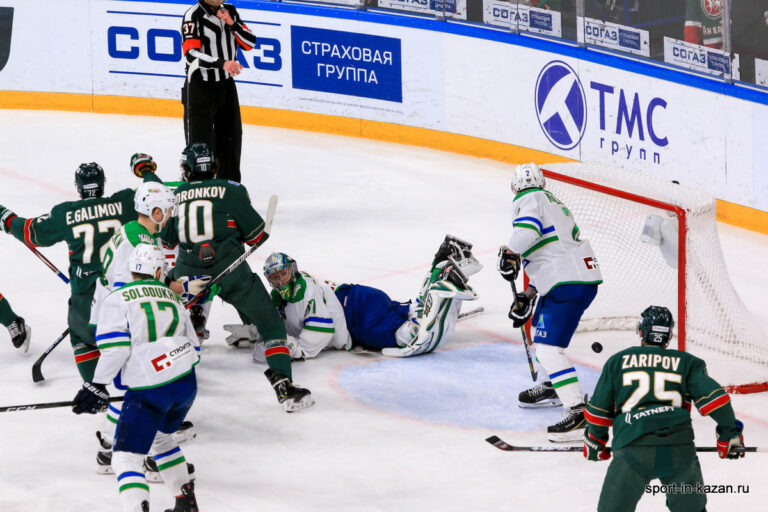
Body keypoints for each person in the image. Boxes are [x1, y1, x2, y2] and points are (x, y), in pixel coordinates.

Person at [146, 142, 314, 412]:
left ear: (185, 170)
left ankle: (159, 395)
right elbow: (256, 236)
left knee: (169, 330)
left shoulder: (175, 195)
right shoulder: (232, 190)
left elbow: (166, 240)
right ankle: (284, 385)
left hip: (187, 274)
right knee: (270, 324)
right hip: (232, 272)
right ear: (214, 166)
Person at [90, 177, 208, 477]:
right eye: (165, 210)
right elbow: (125, 286)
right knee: (142, 385)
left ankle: (108, 444)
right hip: (123, 319)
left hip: (123, 314)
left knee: (136, 385)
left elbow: (146, 277)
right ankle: (149, 454)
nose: (168, 216)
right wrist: (170, 294)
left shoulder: (140, 233)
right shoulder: (138, 238)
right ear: (154, 210)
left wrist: (178, 286)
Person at [73, 244, 200, 512]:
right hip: (186, 384)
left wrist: (96, 385)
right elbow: (195, 349)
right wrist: (166, 366)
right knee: (163, 440)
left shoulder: (118, 298)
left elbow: (117, 349)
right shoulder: (173, 297)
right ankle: (185, 503)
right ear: (157, 270)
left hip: (149, 389)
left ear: (132, 270)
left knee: (125, 459)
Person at [584, 305, 745, 512]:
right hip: (678, 450)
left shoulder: (617, 361)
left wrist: (595, 440)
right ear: (668, 337)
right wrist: (729, 435)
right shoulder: (687, 362)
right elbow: (718, 401)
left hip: (632, 448)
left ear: (641, 331)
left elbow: (598, 411)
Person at [0, 162, 150, 380]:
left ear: (78, 188)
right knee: (136, 333)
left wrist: (5, 217)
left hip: (85, 298)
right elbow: (157, 197)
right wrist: (147, 170)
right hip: (128, 291)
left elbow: (31, 232)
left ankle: (95, 386)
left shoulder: (66, 213)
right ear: (102, 184)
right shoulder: (126, 202)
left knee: (81, 336)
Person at [224, 235, 482, 359]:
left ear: (292, 270)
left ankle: (443, 287)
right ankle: (443, 262)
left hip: (356, 315)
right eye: (274, 278)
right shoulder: (286, 294)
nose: (279, 281)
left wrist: (288, 347)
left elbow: (317, 338)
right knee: (409, 311)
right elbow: (283, 322)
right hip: (356, 300)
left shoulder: (304, 294)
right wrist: (258, 332)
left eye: (282, 274)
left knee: (405, 337)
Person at [497, 162, 602, 441]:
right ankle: (551, 386)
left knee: (547, 348)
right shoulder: (551, 201)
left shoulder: (528, 198)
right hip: (567, 280)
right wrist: (529, 294)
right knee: (540, 336)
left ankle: (579, 413)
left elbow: (527, 231)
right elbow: (551, 248)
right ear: (542, 181)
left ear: (514, 186)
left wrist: (510, 253)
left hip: (567, 283)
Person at [181, 0, 257, 183]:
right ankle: (198, 189)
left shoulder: (230, 10)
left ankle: (229, 191)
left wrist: (232, 23)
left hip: (226, 87)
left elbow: (249, 43)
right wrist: (222, 63)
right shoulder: (193, 16)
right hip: (199, 88)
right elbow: (191, 53)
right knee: (200, 147)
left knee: (231, 141)